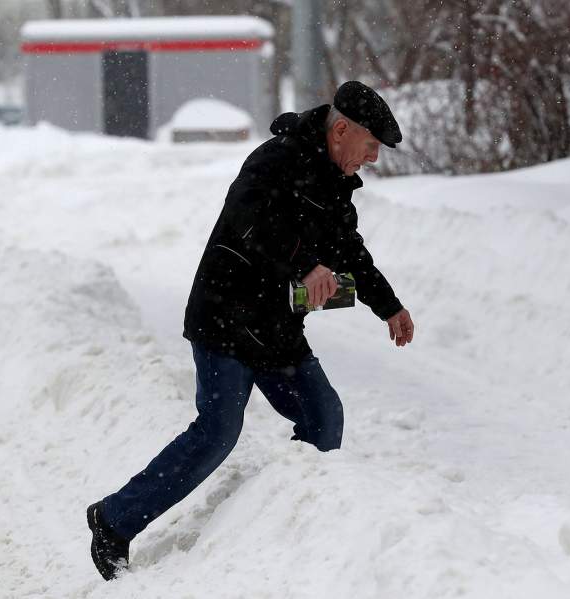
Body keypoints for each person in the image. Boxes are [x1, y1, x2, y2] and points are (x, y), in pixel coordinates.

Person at [86, 80, 415, 581]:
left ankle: (286, 520)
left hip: (276, 329)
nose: (372, 158)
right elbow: (249, 219)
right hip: (226, 318)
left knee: (324, 417)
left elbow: (350, 253)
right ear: (342, 129)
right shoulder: (276, 160)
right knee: (218, 431)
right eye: (371, 145)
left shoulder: (336, 187)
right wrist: (305, 265)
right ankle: (113, 520)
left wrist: (388, 305)